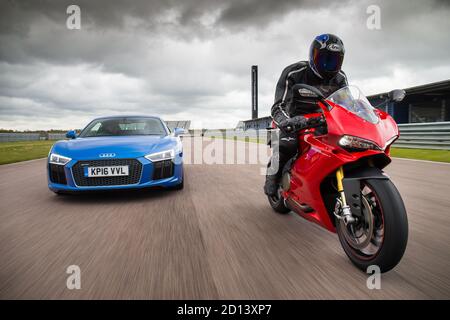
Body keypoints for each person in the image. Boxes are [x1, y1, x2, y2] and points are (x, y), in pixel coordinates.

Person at [264, 33, 349, 196]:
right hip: (292, 119)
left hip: (323, 120)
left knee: (343, 147)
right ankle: (272, 179)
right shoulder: (294, 72)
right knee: (288, 146)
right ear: (313, 55)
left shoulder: (340, 78)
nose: (328, 65)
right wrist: (286, 122)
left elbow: (346, 103)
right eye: (325, 59)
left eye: (334, 60)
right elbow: (277, 106)